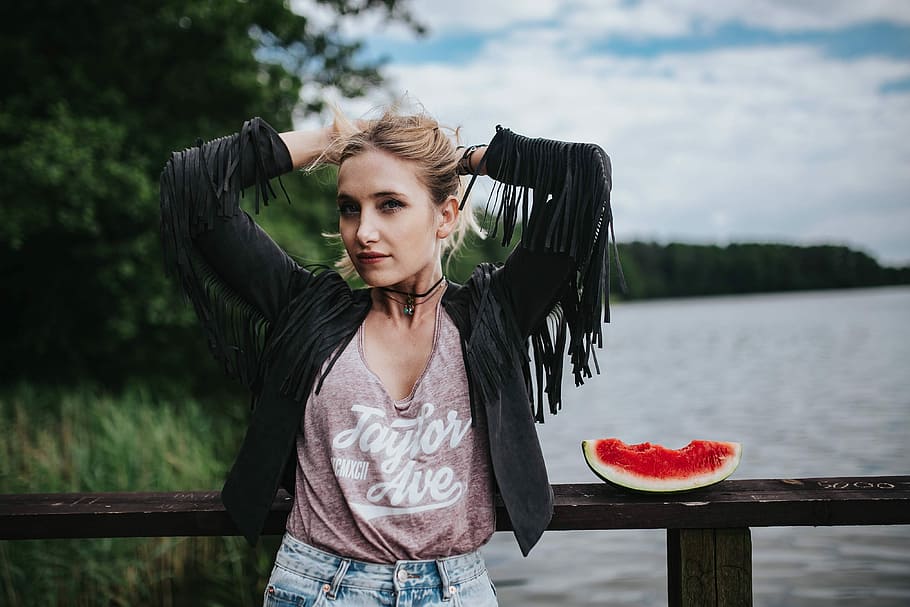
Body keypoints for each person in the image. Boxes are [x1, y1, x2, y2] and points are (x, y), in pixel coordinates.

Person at [159, 105, 617, 606]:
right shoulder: (307, 311)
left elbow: (585, 174)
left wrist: (460, 161)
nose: (364, 232)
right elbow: (194, 184)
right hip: (317, 588)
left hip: (456, 591)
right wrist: (335, 140)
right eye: (350, 207)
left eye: (390, 204)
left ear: (445, 215)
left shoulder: (494, 315)